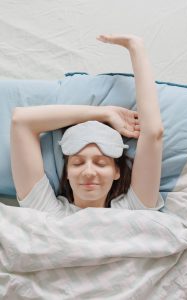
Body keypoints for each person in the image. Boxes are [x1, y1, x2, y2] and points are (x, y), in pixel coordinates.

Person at [10, 34, 164, 217]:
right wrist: (104, 113)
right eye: (77, 163)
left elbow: (153, 133)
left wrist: (135, 47)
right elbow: (21, 121)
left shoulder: (132, 211)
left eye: (101, 163)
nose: (89, 172)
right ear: (66, 172)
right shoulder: (46, 211)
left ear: (116, 171)